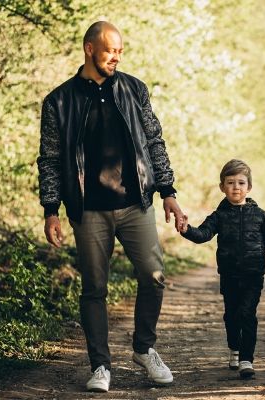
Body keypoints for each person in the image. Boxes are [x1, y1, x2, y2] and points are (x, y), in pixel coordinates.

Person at [37, 21, 186, 392]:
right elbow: (50, 158)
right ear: (89, 49)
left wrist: (168, 190)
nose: (117, 56)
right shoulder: (59, 101)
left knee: (154, 276)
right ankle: (100, 366)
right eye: (110, 50)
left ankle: (144, 348)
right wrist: (51, 209)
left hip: (136, 204)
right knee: (94, 289)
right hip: (88, 211)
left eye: (120, 50)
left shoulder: (134, 89)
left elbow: (154, 141)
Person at [179, 159, 265, 379]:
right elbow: (203, 234)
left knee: (247, 313)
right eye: (230, 182)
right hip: (229, 275)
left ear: (249, 187)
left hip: (253, 275)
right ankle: (234, 348)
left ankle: (246, 359)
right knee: (231, 315)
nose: (236, 187)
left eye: (240, 182)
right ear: (222, 187)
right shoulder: (219, 216)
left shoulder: (260, 216)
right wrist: (186, 230)